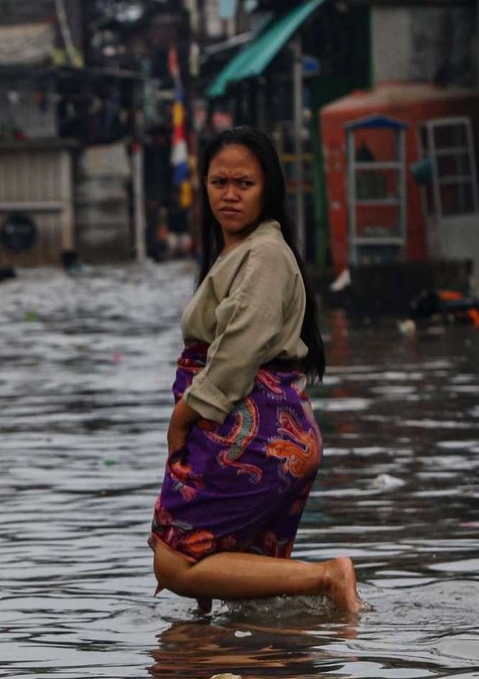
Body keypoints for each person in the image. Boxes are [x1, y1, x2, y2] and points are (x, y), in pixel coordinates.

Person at [148, 127, 360, 613]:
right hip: (258, 429)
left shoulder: (264, 253)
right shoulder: (241, 251)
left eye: (244, 183)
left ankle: (328, 576)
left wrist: (184, 415)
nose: (229, 194)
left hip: (255, 435)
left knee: (176, 561)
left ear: (269, 189)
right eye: (219, 181)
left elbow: (239, 349)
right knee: (235, 581)